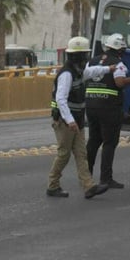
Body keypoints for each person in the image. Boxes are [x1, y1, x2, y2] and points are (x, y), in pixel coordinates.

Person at [46, 36, 112, 199]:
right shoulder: (67, 74)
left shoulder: (79, 71)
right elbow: (61, 99)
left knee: (81, 154)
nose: (85, 58)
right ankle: (52, 185)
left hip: (77, 120)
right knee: (64, 154)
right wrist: (70, 121)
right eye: (84, 55)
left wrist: (109, 69)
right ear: (79, 56)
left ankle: (88, 186)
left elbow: (92, 71)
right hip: (65, 122)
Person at [85, 33, 130, 189]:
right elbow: (119, 83)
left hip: (91, 106)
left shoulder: (93, 60)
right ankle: (106, 179)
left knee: (93, 141)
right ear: (120, 50)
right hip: (109, 108)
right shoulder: (118, 63)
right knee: (109, 143)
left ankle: (86, 176)